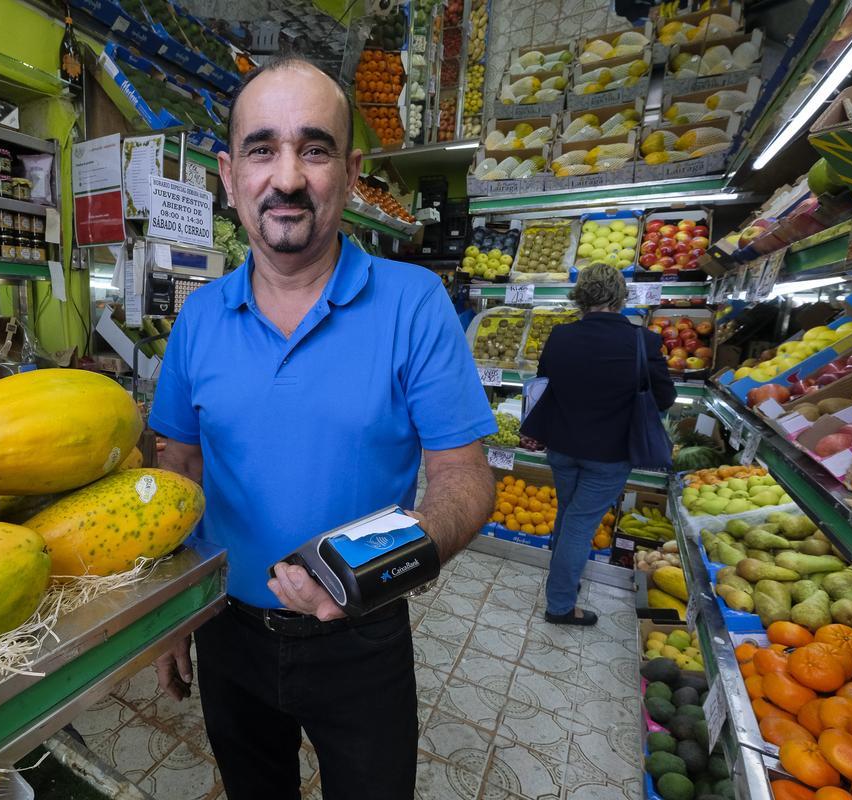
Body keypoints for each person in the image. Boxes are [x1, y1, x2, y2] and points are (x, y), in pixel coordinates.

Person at [148, 56, 497, 800]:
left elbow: (464, 477)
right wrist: (169, 609)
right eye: (261, 148)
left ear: (348, 169)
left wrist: (385, 568)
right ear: (228, 172)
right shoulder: (199, 319)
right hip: (225, 627)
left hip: (364, 638)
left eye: (313, 149)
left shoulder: (416, 304)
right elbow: (176, 463)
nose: (287, 177)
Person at [520, 264, 675, 625]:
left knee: (568, 514)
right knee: (579, 524)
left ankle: (565, 582)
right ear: (621, 297)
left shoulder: (560, 336)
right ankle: (559, 605)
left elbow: (546, 383)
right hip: (610, 453)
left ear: (581, 296)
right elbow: (664, 397)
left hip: (561, 447)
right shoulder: (643, 341)